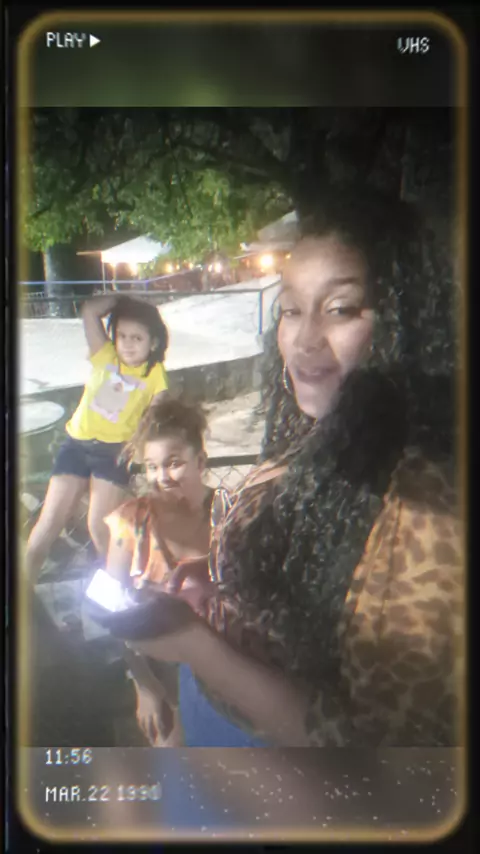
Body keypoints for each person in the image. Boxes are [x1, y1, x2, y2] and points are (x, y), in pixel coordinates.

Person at [125, 192, 464, 748]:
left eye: (340, 309)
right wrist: (219, 582)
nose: (304, 340)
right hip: (211, 720)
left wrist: (195, 646)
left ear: (404, 322)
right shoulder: (319, 427)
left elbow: (371, 751)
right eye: (290, 310)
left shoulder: (428, 506)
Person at [26, 295, 169, 577]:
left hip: (112, 453)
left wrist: (140, 448)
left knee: (99, 528)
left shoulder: (155, 374)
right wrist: (124, 301)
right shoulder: (105, 355)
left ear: (153, 343)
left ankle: (118, 588)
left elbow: (155, 417)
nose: (127, 344)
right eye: (122, 336)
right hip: (76, 445)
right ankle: (22, 589)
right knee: (48, 523)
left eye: (137, 338)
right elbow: (90, 310)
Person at [103, 397, 215, 747]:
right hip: (160, 676)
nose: (161, 477)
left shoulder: (229, 513)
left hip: (225, 670)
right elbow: (111, 610)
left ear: (200, 461)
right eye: (152, 467)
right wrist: (145, 687)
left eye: (173, 463)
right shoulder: (130, 523)